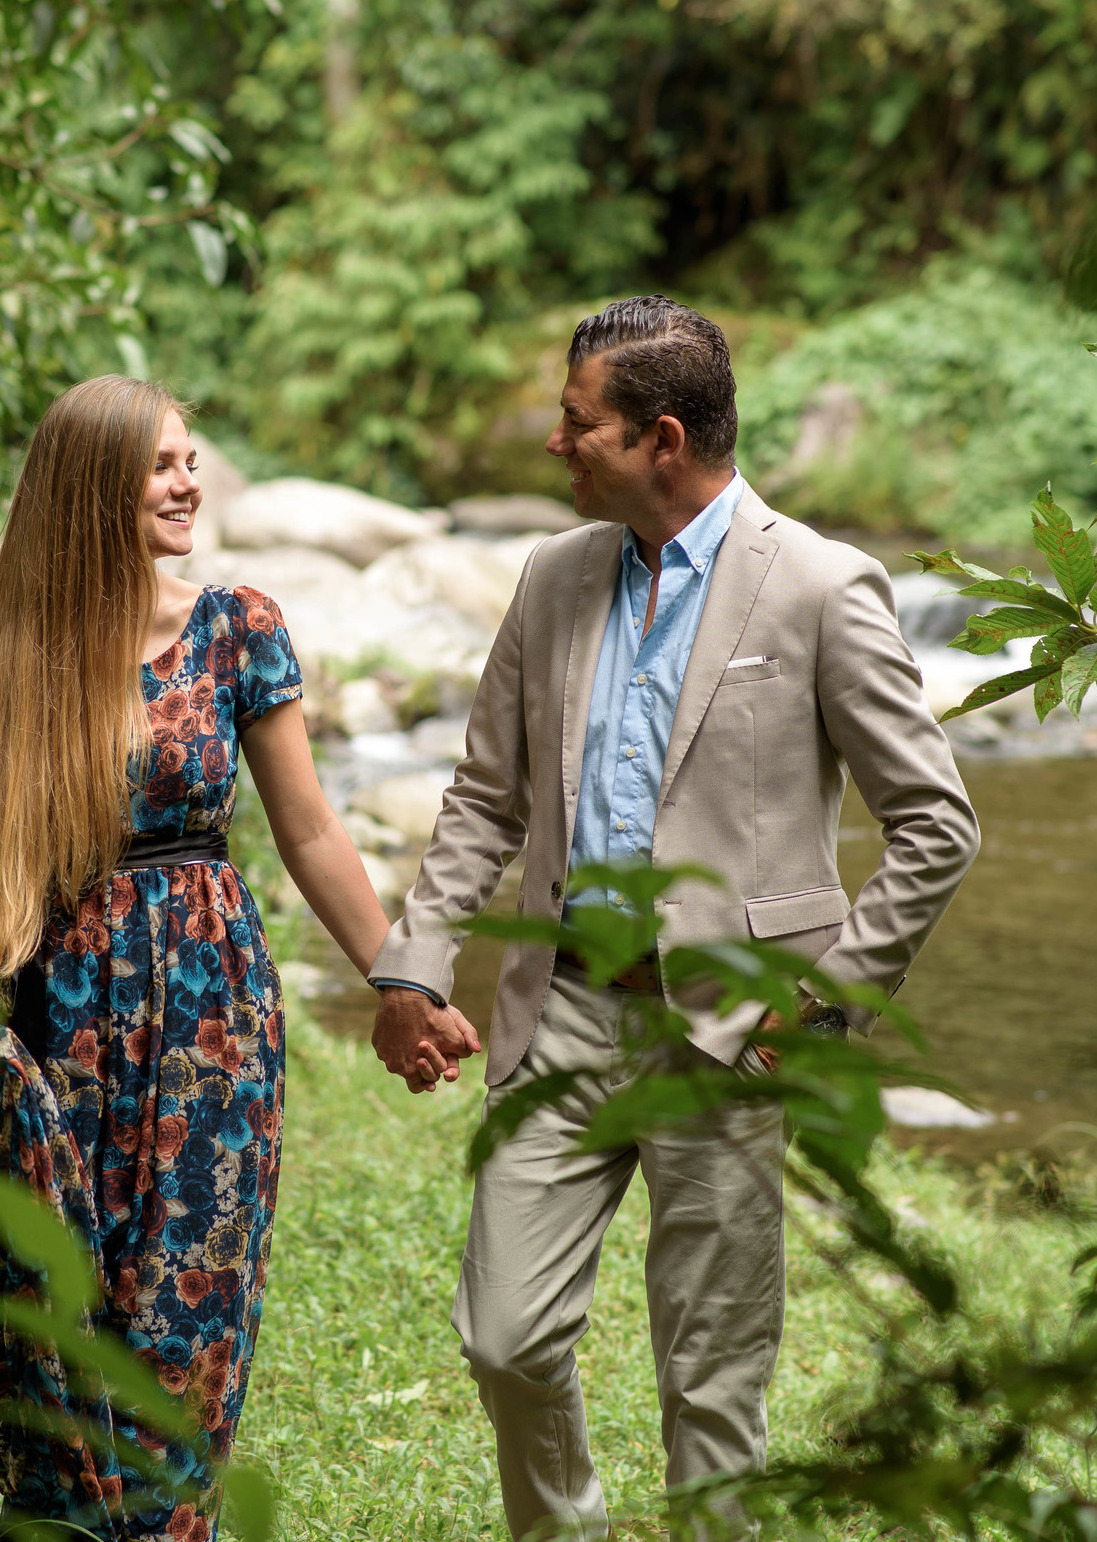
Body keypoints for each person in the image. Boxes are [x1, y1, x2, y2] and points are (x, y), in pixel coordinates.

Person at [365, 297, 980, 1537]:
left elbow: (935, 822)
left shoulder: (818, 584)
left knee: (711, 1384)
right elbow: (487, 795)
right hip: (561, 1023)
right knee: (502, 1333)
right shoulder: (549, 576)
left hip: (725, 1038)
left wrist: (816, 1007)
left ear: (658, 437)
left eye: (574, 419)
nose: (554, 442)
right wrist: (412, 965)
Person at [0, 376, 392, 1542]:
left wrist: (405, 976)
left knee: (187, 1303)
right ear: (92, 489)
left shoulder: (237, 626)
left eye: (192, 460)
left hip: (210, 1010)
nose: (190, 483)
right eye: (162, 465)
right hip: (59, 1017)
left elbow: (312, 830)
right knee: (50, 1302)